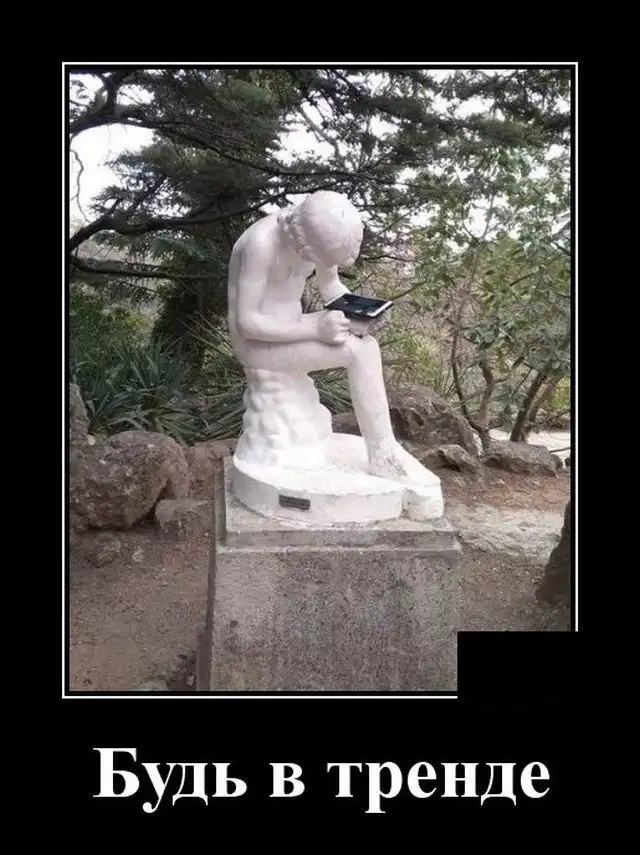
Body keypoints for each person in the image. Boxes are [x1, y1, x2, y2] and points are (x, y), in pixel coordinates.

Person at [227, 190, 411, 479]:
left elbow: (331, 288)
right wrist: (314, 327)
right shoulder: (261, 245)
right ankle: (382, 456)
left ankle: (384, 452)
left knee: (366, 344)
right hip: (257, 344)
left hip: (294, 328)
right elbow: (247, 323)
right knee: (360, 352)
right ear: (305, 243)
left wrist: (359, 312)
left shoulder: (318, 229)